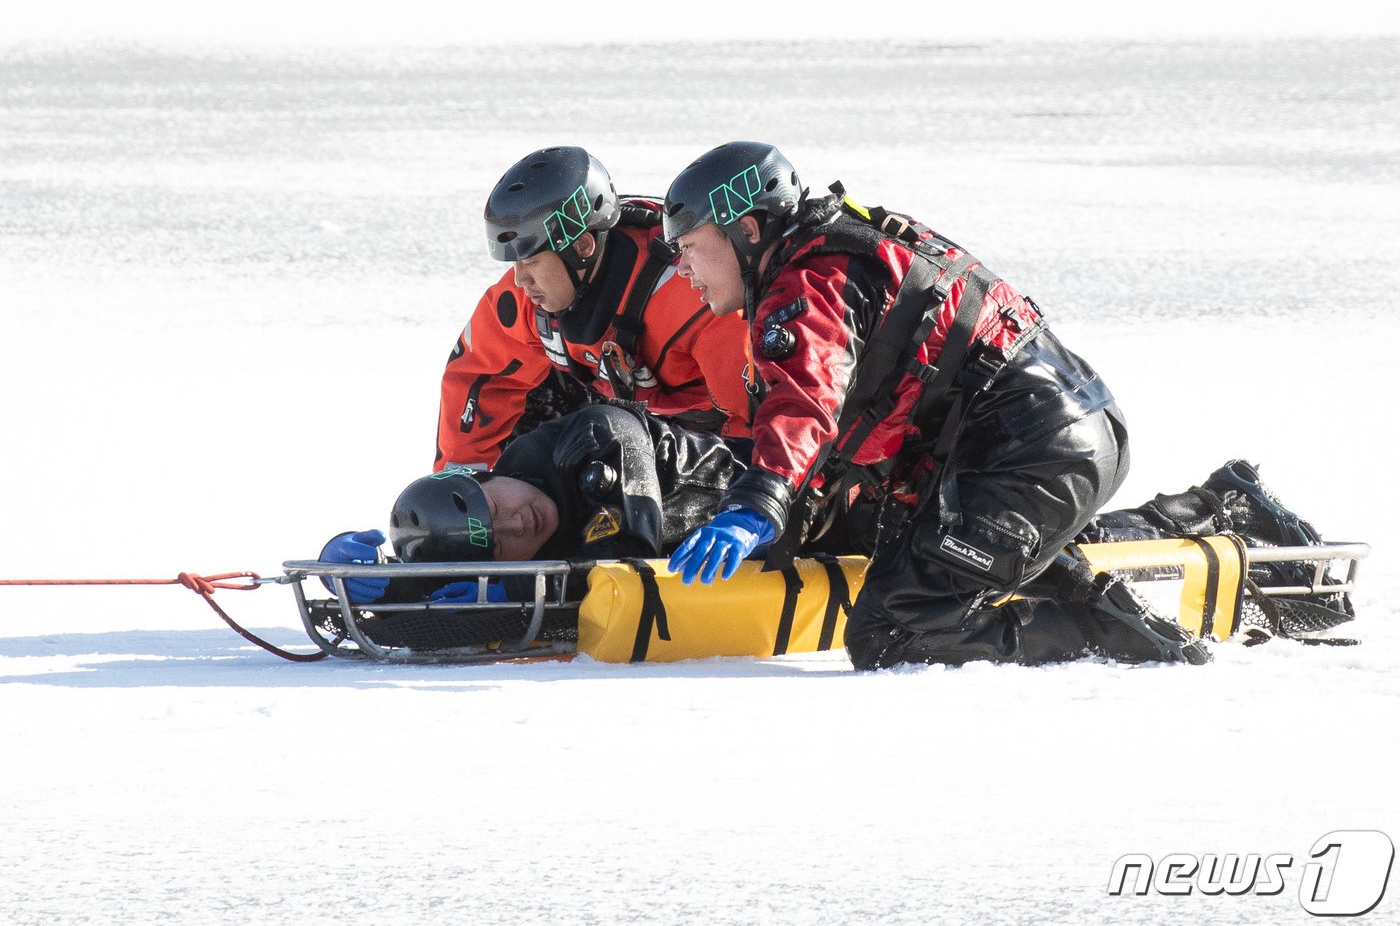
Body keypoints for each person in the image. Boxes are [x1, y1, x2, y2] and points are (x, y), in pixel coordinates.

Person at [659, 140, 1184, 669]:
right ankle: (1096, 602)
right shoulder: (839, 247)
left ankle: (1106, 634)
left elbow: (805, 400)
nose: (681, 267)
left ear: (746, 231)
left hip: (1032, 451)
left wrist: (757, 503)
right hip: (1064, 429)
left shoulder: (810, 284)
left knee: (890, 632)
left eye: (688, 245)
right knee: (906, 555)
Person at [434, 146, 752, 473]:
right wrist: (460, 488)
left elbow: (760, 425)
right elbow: (477, 381)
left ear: (582, 246)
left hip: (710, 434)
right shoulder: (527, 294)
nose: (519, 279)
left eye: (529, 261)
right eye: (515, 262)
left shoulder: (699, 297)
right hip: (613, 406)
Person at [324, 402, 763, 604]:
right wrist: (365, 578)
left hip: (810, 506)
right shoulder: (521, 548)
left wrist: (513, 589)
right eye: (497, 548)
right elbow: (446, 586)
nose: (517, 526)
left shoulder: (597, 435)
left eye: (496, 509)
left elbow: (628, 562)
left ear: (488, 474)